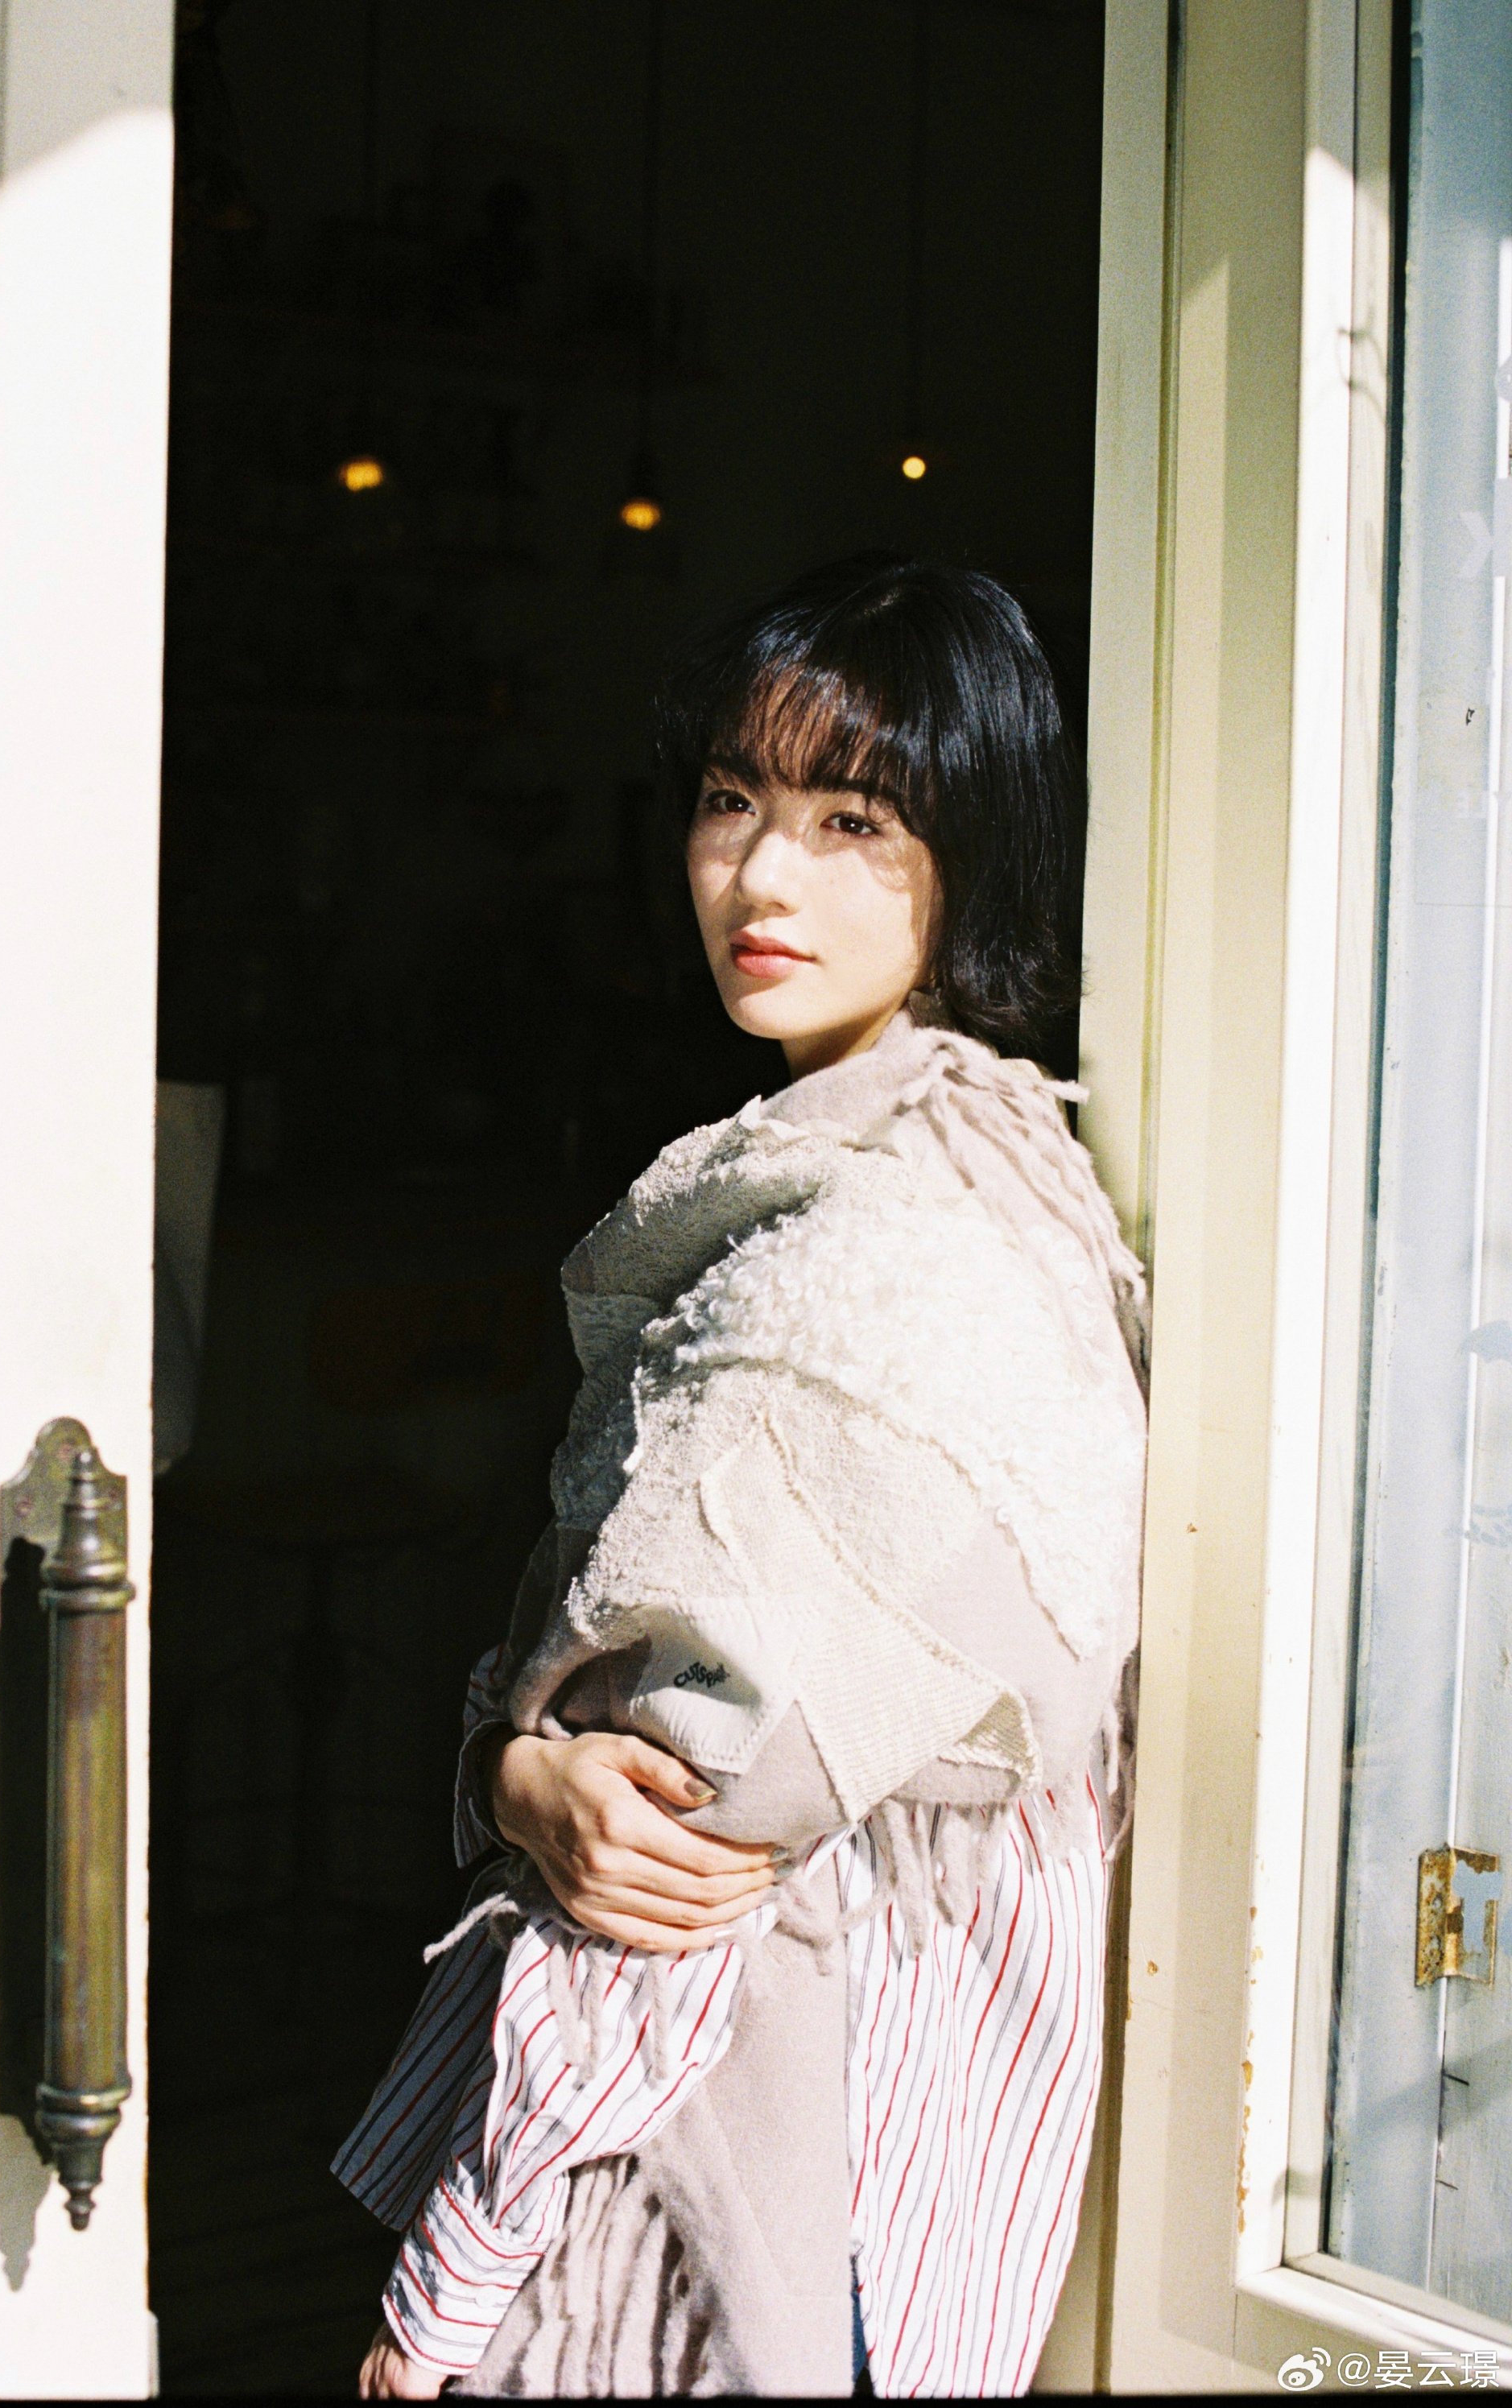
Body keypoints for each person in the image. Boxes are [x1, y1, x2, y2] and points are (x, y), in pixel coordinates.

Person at [341, 554, 1147, 2399]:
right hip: (896, 2191)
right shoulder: (985, 1177)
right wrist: (519, 1762)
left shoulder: (875, 1264)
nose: (761, 877)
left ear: (976, 853)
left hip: (725, 2194)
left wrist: (440, 2297)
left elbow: (676, 1852)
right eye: (730, 799)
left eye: (853, 819)